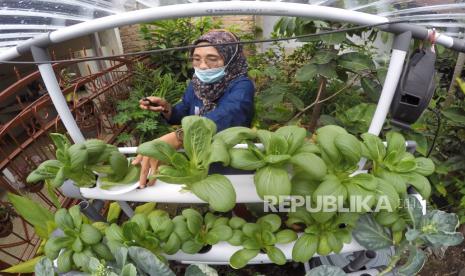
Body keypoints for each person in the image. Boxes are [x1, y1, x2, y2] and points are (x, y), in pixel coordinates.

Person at [132, 29, 255, 188]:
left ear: (231, 59)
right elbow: (185, 111)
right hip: (200, 155)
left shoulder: (242, 85)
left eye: (212, 58)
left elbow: (228, 116)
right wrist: (167, 108)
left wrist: (180, 137)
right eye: (196, 59)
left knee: (232, 193)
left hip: (230, 156)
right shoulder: (197, 83)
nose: (202, 66)